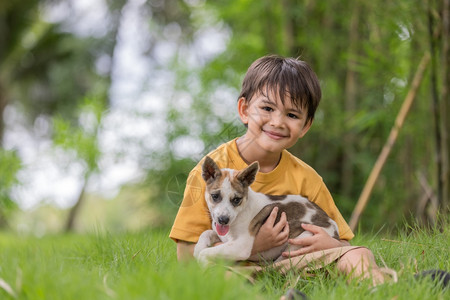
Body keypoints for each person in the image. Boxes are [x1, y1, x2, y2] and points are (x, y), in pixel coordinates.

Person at [169, 54, 392, 286]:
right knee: (220, 277)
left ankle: (388, 289)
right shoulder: (209, 173)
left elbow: (344, 244)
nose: (277, 122)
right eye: (267, 108)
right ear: (244, 109)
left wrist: (332, 245)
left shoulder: (307, 178)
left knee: (359, 254)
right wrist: (254, 247)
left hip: (301, 265)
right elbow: (186, 256)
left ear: (305, 126)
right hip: (241, 273)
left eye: (292, 115)